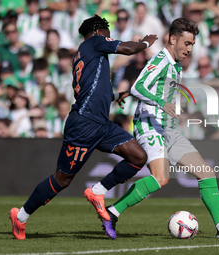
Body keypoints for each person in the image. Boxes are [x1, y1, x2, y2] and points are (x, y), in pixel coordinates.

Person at [99, 17, 219, 240]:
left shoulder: (175, 65)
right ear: (172, 39)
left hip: (168, 128)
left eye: (192, 45)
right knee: (161, 178)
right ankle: (112, 213)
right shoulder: (161, 59)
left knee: (206, 173)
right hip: (149, 125)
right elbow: (138, 86)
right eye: (187, 43)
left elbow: (148, 89)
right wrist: (160, 103)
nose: (189, 49)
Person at [9, 14, 158, 240]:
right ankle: (20, 217)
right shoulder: (95, 43)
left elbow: (91, 90)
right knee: (62, 179)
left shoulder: (87, 53)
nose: (110, 36)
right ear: (99, 30)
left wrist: (116, 95)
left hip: (101, 124)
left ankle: (97, 191)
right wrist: (145, 42)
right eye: (108, 31)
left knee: (138, 157)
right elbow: (129, 49)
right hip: (84, 124)